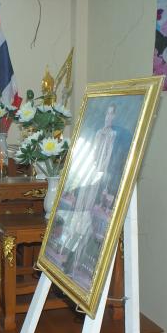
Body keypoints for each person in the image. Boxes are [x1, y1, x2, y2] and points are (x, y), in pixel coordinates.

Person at [61, 104, 118, 279]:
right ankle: (71, 259)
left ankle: (76, 262)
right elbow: (94, 155)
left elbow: (109, 159)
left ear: (114, 117)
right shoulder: (98, 134)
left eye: (111, 114)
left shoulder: (114, 136)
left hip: (104, 178)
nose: (109, 118)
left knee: (90, 224)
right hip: (94, 176)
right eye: (107, 114)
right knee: (80, 220)